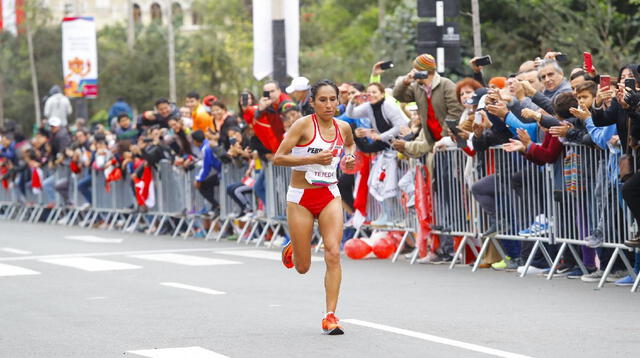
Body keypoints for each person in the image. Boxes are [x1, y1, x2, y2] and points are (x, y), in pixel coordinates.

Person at [273, 79, 356, 335]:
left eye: (333, 99)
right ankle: (294, 248)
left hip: (330, 194)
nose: (328, 105)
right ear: (312, 102)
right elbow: (278, 157)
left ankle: (330, 316)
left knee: (333, 253)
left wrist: (350, 159)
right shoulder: (303, 125)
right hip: (301, 198)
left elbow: (351, 146)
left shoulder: (344, 128)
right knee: (303, 267)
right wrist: (312, 158)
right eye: (323, 100)